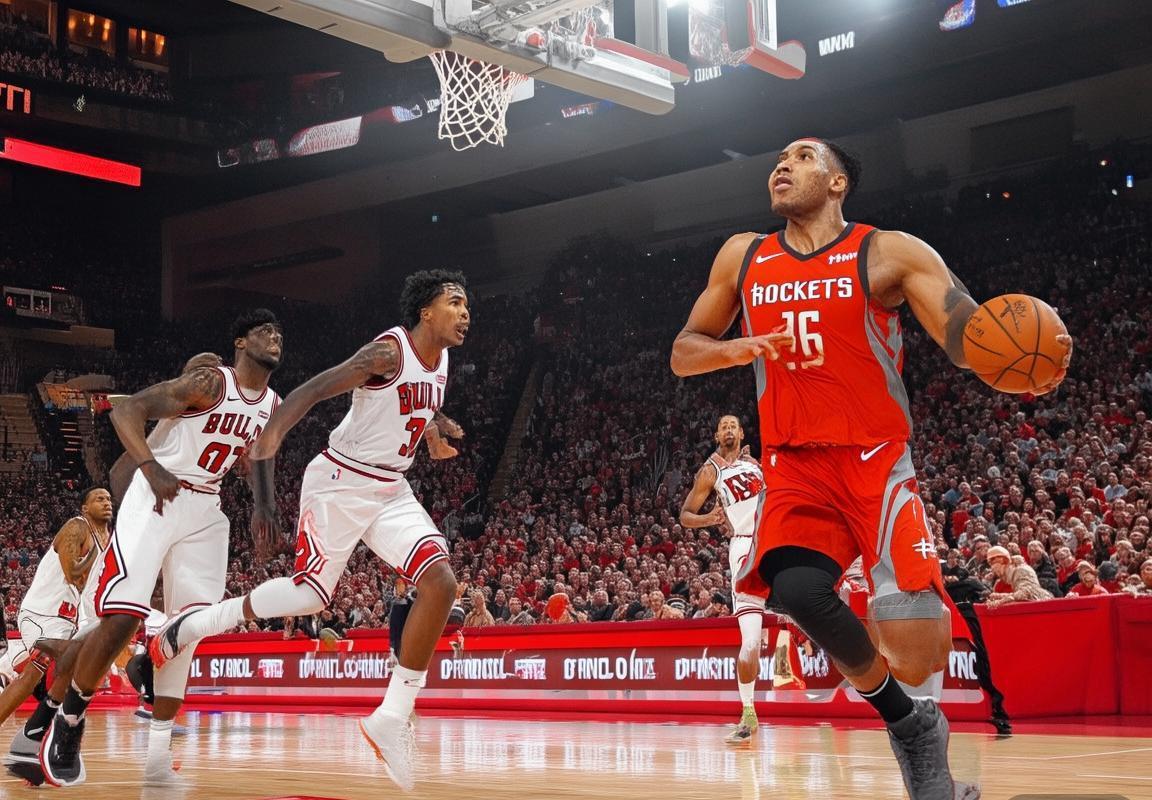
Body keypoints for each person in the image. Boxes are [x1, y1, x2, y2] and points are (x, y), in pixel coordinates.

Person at [671, 137, 1070, 800]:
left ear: (837, 182)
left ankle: (932, 777)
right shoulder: (743, 256)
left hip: (876, 458)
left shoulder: (888, 252)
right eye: (779, 158)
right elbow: (684, 351)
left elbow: (965, 334)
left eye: (803, 156)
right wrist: (734, 349)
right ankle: (908, 723)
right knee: (797, 591)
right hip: (795, 462)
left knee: (912, 629)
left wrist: (1022, 359)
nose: (783, 165)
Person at [150, 271, 470, 792]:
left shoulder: (443, 360)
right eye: (454, 302)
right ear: (426, 312)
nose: (465, 312)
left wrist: (433, 431)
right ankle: (189, 627)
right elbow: (315, 389)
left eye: (467, 305)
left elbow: (413, 404)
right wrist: (268, 441)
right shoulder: (387, 352)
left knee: (442, 583)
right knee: (309, 596)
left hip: (391, 488)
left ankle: (390, 718)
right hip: (340, 482)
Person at [37, 312, 283, 788]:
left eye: (279, 334)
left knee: (188, 633)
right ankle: (68, 720)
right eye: (264, 332)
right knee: (124, 617)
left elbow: (260, 455)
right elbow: (126, 411)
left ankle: (157, 754)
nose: (275, 338)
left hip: (206, 507)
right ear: (240, 342)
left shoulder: (271, 404)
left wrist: (265, 506)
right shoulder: (210, 382)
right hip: (157, 495)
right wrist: (150, 468)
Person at [0, 487, 112, 762]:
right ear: (85, 508)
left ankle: (31, 738)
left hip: (64, 619)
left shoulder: (106, 539)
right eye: (99, 499)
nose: (106, 502)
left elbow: (89, 589)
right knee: (62, 664)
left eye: (109, 498)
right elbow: (73, 573)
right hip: (41, 613)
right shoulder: (77, 526)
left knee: (34, 676)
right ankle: (41, 734)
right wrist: (96, 560)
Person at [679, 414, 770, 745]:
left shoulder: (755, 463)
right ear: (717, 435)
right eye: (723, 426)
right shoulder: (710, 470)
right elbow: (685, 516)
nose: (729, 429)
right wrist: (711, 518)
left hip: (774, 540)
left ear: (742, 433)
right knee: (750, 642)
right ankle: (748, 712)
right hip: (744, 546)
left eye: (733, 425)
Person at [984, 547, 1053, 608]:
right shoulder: (1012, 573)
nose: (994, 570)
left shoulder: (1021, 570)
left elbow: (1025, 593)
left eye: (993, 565)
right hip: (1033, 605)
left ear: (1002, 561)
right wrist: (998, 596)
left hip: (1042, 603)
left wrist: (1000, 601)